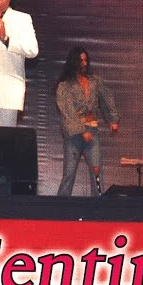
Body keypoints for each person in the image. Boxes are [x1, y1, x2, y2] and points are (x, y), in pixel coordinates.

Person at [55, 47, 119, 197]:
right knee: (69, 173)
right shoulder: (65, 85)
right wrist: (81, 131)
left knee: (97, 171)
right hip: (74, 134)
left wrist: (113, 119)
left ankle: (98, 205)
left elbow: (107, 98)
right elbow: (67, 111)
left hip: (92, 130)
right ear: (74, 62)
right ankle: (60, 206)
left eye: (86, 60)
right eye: (80, 61)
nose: (84, 64)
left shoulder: (94, 81)